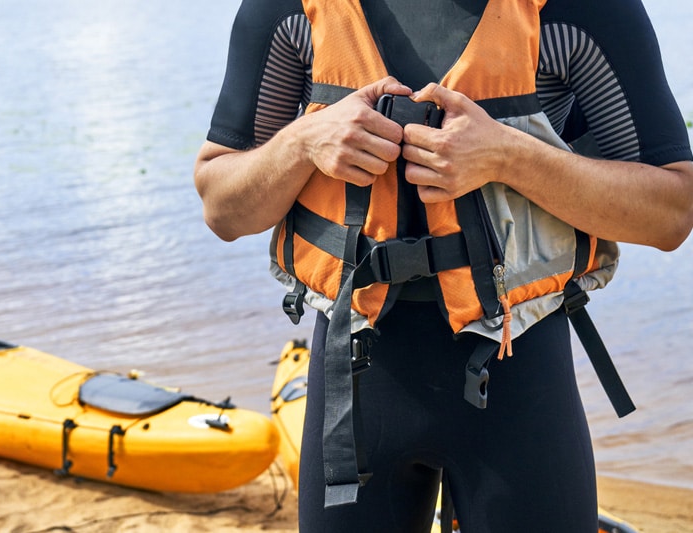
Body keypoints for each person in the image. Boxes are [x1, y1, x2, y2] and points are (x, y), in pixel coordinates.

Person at [194, 0, 693, 531]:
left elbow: (670, 214)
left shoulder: (581, 10)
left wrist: (508, 156)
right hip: (355, 382)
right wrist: (302, 141)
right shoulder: (291, 11)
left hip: (521, 383)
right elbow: (222, 208)